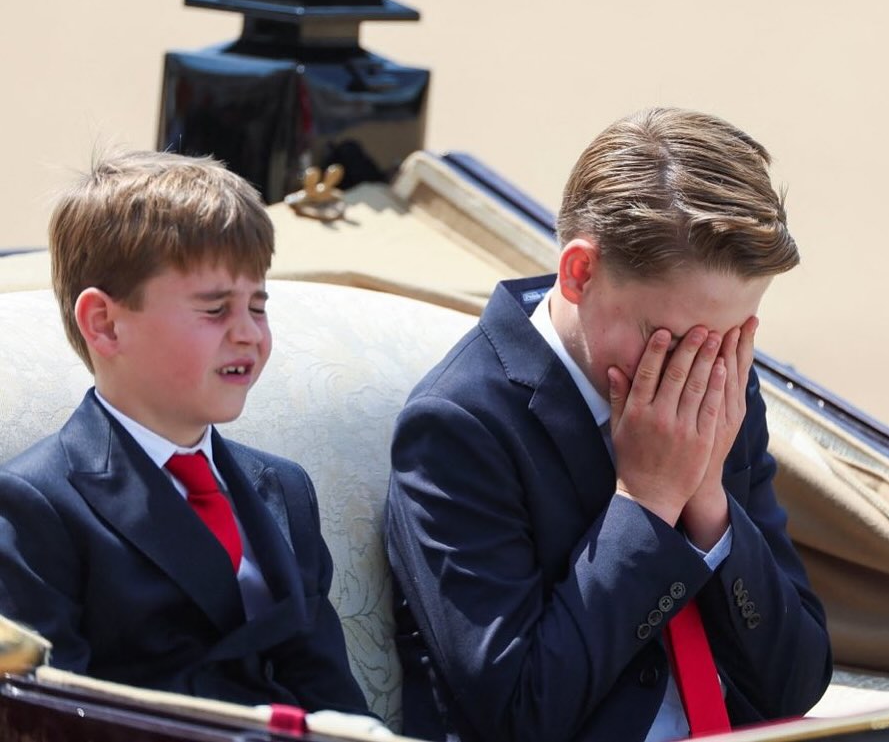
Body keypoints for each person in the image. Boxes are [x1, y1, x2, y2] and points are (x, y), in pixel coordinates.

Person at [386, 108, 832, 742]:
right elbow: (520, 716)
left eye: (733, 338)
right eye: (670, 338)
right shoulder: (460, 425)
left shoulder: (725, 383)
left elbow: (796, 683)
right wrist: (646, 505)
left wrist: (708, 504)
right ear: (580, 274)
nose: (698, 372)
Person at [0, 150, 368, 714]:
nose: (248, 334)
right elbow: (51, 717)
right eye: (216, 309)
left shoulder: (284, 488)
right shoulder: (35, 504)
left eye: (259, 306)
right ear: (105, 323)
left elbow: (329, 691)